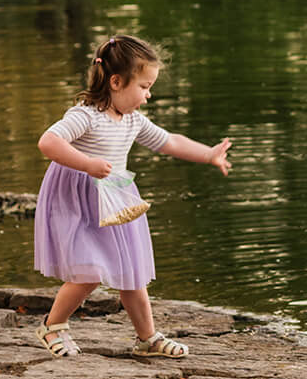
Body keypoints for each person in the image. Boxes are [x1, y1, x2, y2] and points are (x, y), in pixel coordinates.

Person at [31, 34, 234, 359]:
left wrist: (208, 154)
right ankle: (52, 326)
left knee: (132, 272)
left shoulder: (132, 121)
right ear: (115, 81)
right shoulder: (85, 115)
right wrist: (88, 164)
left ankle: (147, 338)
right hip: (80, 202)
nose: (148, 95)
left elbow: (170, 141)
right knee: (89, 273)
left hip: (116, 200)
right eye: (143, 86)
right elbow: (48, 142)